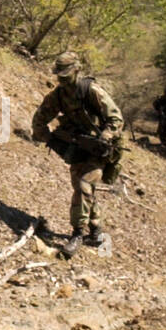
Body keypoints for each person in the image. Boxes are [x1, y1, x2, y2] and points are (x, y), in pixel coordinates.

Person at [31, 52, 125, 257]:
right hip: (77, 147)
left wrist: (107, 135)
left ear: (76, 70)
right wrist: (50, 139)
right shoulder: (57, 96)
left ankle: (78, 234)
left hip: (99, 148)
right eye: (60, 76)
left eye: (66, 75)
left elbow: (116, 118)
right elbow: (39, 119)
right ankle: (95, 229)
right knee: (83, 188)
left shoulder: (91, 90)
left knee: (84, 185)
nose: (62, 79)